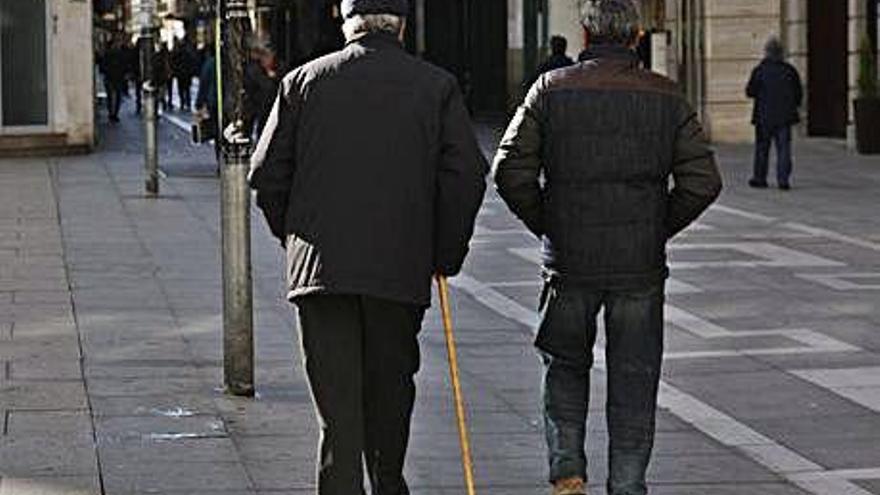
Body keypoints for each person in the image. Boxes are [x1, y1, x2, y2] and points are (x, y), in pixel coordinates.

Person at [247, 0, 488, 493]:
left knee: (338, 412)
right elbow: (465, 178)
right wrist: (443, 253)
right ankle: (387, 482)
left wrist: (294, 237)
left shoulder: (302, 82)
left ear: (346, 22)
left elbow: (266, 175)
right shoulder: (435, 87)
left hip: (321, 272)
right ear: (400, 25)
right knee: (390, 391)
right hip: (398, 269)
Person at [492, 1, 722, 494]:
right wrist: (655, 227)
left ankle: (568, 471)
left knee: (564, 366)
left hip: (569, 262)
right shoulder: (666, 95)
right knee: (635, 379)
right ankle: (628, 484)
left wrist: (550, 224)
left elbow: (508, 169)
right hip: (638, 265)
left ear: (585, 32)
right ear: (636, 34)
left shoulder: (549, 91)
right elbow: (703, 181)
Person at [746, 36, 803, 190]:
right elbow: (798, 93)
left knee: (762, 149)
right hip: (784, 117)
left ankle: (760, 178)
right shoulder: (789, 70)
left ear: (766, 52)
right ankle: (783, 180)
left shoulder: (760, 71)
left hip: (764, 117)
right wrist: (794, 106)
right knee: (784, 149)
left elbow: (750, 91)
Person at [98, 37, 127, 123]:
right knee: (116, 96)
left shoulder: (107, 54)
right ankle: (114, 114)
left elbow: (102, 66)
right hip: (117, 77)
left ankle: (112, 113)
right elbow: (124, 65)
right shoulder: (120, 54)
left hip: (110, 77)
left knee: (111, 96)